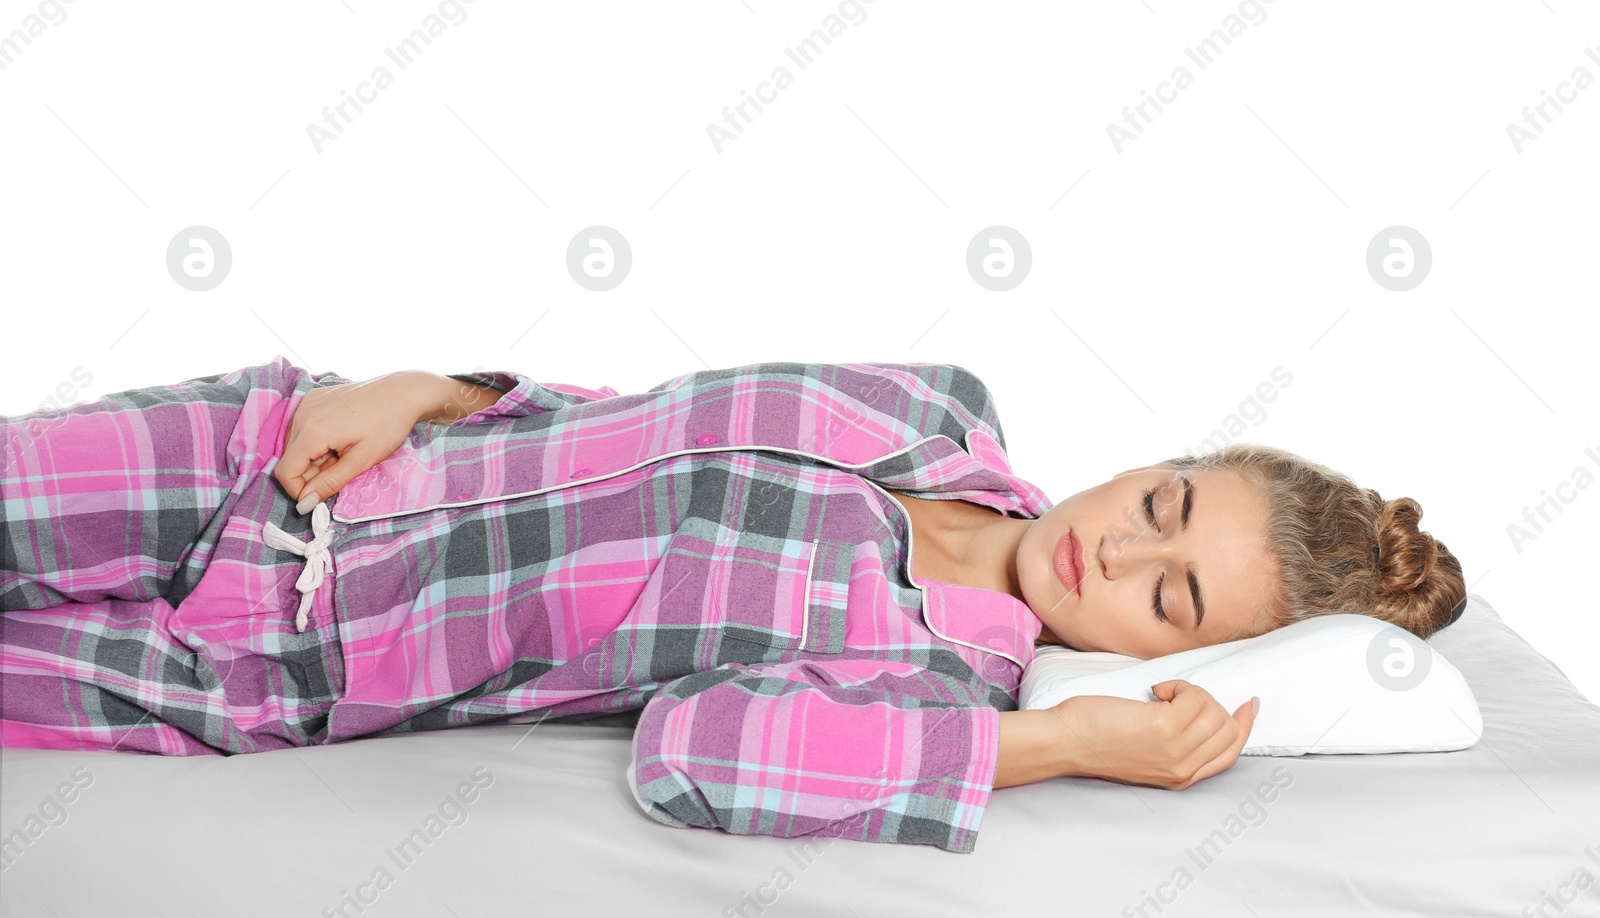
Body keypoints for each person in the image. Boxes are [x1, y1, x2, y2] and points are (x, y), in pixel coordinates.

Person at [0, 356, 1466, 853]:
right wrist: (435, 389)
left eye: (1173, 598)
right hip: (273, 450)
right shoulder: (934, 405)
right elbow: (634, 408)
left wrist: (1075, 745)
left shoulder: (941, 693)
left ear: (1189, 656)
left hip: (275, 660)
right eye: (1162, 506)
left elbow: (693, 750)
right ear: (1162, 463)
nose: (1119, 554)